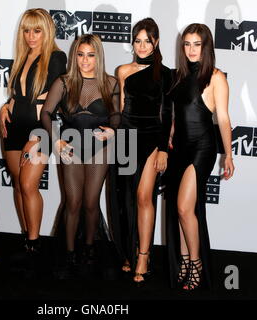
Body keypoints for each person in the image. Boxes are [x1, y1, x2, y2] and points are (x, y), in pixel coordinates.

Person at [41, 34, 120, 278]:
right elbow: (46, 114)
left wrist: (113, 130)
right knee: (73, 203)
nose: (85, 61)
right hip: (71, 149)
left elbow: (117, 115)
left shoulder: (111, 83)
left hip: (100, 149)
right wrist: (56, 140)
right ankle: (70, 252)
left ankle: (89, 249)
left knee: (90, 203)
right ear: (75, 56)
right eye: (80, 54)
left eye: (90, 55)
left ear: (98, 57)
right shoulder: (63, 83)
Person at [166, 23, 234, 290]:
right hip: (179, 148)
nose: (191, 50)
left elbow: (224, 118)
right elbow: (177, 112)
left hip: (202, 149)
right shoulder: (179, 76)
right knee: (182, 210)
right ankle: (184, 262)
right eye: (187, 44)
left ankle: (196, 263)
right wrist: (171, 133)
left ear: (207, 47)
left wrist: (228, 154)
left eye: (197, 44)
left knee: (184, 207)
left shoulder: (216, 77)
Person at [0, 8, 67, 254]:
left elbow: (55, 101)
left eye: (37, 30)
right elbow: (19, 95)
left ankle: (35, 243)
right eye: (27, 30)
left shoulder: (56, 58)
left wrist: (39, 136)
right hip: (14, 127)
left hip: (40, 130)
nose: (31, 36)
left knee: (28, 185)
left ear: (47, 31)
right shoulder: (22, 56)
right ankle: (27, 237)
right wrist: (5, 107)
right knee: (18, 184)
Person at [110, 18, 172, 285]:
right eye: (138, 40)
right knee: (125, 199)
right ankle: (128, 250)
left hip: (151, 140)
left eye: (148, 40)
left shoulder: (166, 73)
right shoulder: (123, 70)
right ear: (133, 42)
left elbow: (167, 113)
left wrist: (163, 149)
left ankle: (144, 257)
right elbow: (121, 108)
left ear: (156, 42)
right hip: (125, 137)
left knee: (144, 196)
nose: (142, 46)